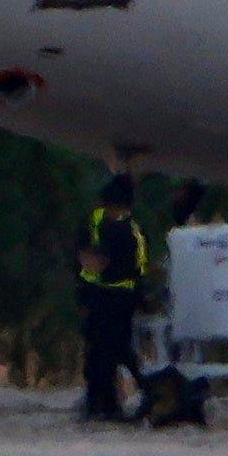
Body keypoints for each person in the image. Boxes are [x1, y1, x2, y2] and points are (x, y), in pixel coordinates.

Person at [73, 172, 148, 423]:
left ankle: (110, 402)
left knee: (111, 351)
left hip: (114, 297)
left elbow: (104, 263)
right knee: (106, 352)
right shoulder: (123, 228)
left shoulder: (125, 231)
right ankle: (103, 402)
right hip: (107, 296)